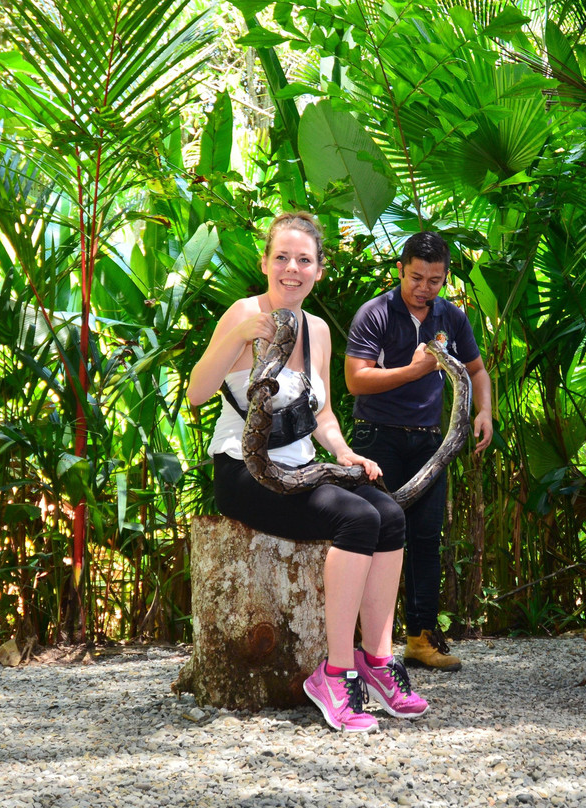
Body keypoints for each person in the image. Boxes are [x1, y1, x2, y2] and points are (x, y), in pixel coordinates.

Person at [187, 212, 428, 732]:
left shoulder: (317, 330)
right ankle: (335, 674)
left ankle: (378, 660)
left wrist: (345, 454)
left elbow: (321, 415)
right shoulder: (244, 313)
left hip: (300, 469)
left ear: (319, 270)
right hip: (242, 470)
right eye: (282, 258)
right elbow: (196, 392)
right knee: (356, 521)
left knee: (388, 512)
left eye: (303, 260)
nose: (291, 268)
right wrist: (238, 339)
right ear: (265, 263)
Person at [344, 232, 493, 672]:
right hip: (376, 439)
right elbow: (356, 380)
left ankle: (421, 640)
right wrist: (413, 370)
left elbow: (477, 369)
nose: (424, 288)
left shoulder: (452, 317)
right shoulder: (374, 313)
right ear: (400, 270)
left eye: (434, 280)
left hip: (429, 441)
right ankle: (367, 644)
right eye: (415, 277)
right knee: (372, 536)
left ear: (445, 278)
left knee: (427, 539)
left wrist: (484, 411)